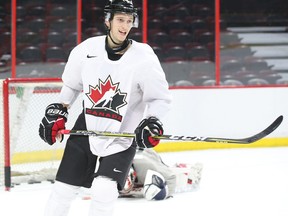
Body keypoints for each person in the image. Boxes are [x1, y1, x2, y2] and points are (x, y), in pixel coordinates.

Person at [38, 0, 172, 215]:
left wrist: (152, 121)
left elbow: (160, 98)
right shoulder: (86, 49)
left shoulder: (143, 57)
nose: (125, 26)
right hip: (87, 127)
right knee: (63, 190)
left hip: (123, 132)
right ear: (107, 20)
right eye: (120, 19)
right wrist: (60, 109)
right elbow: (72, 85)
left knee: (103, 190)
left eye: (129, 21)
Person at [119, 148, 203, 200]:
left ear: (133, 175)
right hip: (134, 156)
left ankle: (191, 171)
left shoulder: (148, 166)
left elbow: (171, 178)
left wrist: (163, 194)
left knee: (172, 178)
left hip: (148, 156)